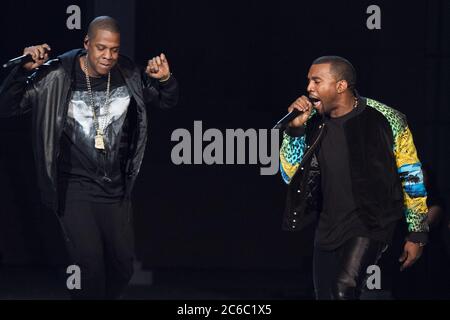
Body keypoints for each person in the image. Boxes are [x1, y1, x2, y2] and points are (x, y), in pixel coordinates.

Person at [0, 16, 179, 299]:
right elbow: (8, 106)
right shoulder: (57, 75)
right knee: (90, 267)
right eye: (101, 48)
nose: (108, 56)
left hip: (115, 188)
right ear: (87, 44)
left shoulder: (129, 73)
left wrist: (166, 79)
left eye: (114, 49)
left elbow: (165, 101)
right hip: (73, 187)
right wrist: (23, 71)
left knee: (122, 268)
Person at [279, 56, 428, 300]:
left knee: (343, 291)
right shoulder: (312, 123)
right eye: (308, 81)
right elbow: (289, 176)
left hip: (372, 223)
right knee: (325, 295)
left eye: (317, 81)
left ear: (341, 86)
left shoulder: (388, 118)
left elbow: (412, 176)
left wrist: (417, 233)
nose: (309, 88)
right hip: (328, 226)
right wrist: (295, 131)